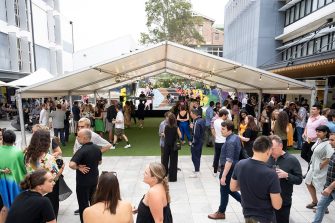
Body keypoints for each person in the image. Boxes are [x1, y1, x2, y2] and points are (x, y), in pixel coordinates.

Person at [230, 136, 282, 222]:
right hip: (265, 218)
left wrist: (249, 186)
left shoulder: (240, 164)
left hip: (248, 216)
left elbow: (233, 187)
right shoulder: (271, 174)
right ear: (268, 151)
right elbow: (277, 205)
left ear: (253, 149)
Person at [25, 129, 64, 218]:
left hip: (34, 188)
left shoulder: (27, 155)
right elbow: (55, 176)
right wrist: (61, 169)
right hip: (48, 190)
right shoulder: (48, 158)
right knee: (51, 214)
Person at [208, 120, 241, 220]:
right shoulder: (234, 137)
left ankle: (221, 212)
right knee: (229, 189)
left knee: (224, 190)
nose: (221, 131)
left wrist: (223, 176)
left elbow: (229, 161)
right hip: (233, 168)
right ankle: (246, 203)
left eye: (223, 129)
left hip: (229, 169)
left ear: (229, 130)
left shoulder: (230, 141)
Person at [69, 129, 102, 223]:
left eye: (78, 136)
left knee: (83, 204)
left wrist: (79, 167)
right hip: (95, 179)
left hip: (83, 183)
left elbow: (71, 164)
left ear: (84, 138)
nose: (77, 138)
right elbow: (100, 162)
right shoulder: (96, 148)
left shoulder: (81, 150)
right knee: (94, 202)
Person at [268, 135, 303, 223]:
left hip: (283, 200)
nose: (271, 151)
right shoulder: (267, 158)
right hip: (267, 200)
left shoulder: (292, 160)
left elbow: (299, 180)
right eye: (269, 148)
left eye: (273, 148)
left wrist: (287, 175)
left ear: (281, 146)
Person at [305, 125, 333, 210]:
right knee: (308, 182)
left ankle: (324, 207)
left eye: (319, 132)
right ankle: (315, 201)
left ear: (325, 133)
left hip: (321, 169)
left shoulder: (328, 143)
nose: (317, 133)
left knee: (321, 187)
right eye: (316, 131)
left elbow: (330, 156)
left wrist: (321, 166)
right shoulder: (318, 140)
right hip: (313, 167)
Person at [312, 132, 335, 223]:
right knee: (321, 206)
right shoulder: (334, 152)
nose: (329, 142)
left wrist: (329, 188)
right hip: (329, 187)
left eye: (332, 140)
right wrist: (327, 187)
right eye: (330, 139)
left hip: (331, 188)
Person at [0, 130, 26, 208]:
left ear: (3, 139)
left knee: (4, 203)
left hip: (2, 182)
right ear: (14, 140)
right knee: (17, 204)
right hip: (15, 181)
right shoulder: (18, 152)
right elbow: (23, 168)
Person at [162, 113, 182, 182]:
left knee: (165, 161)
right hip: (174, 146)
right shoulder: (176, 127)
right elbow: (181, 136)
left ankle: (164, 176)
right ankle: (173, 178)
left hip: (167, 145)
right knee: (173, 162)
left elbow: (165, 135)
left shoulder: (166, 127)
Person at [211, 109, 229, 176]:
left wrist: (216, 136)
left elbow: (213, 130)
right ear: (224, 115)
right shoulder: (224, 123)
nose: (227, 116)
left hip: (217, 141)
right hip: (223, 142)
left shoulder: (215, 121)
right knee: (224, 158)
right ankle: (223, 172)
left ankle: (215, 172)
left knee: (216, 157)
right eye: (226, 115)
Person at [189, 109, 205, 178]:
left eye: (191, 113)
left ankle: (197, 172)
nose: (190, 115)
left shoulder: (197, 122)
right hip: (201, 141)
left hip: (196, 142)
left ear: (193, 114)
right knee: (198, 156)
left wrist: (193, 142)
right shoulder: (201, 120)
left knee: (194, 157)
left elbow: (196, 134)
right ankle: (197, 170)